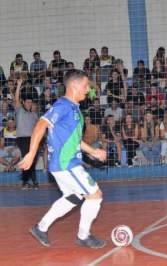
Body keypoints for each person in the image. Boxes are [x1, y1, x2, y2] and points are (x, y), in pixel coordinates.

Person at [19, 69, 107, 248]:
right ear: (74, 86)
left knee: (74, 197)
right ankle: (83, 236)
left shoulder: (76, 110)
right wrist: (31, 153)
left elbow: (75, 139)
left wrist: (93, 151)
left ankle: (41, 227)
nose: (87, 90)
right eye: (85, 86)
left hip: (64, 163)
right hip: (66, 163)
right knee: (95, 195)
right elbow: (40, 125)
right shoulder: (63, 105)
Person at [15, 79, 39, 189]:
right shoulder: (19, 110)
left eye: (31, 102)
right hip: (22, 139)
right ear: (23, 102)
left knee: (32, 160)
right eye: (28, 102)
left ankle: (32, 182)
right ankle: (25, 182)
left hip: (32, 140)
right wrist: (19, 84)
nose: (30, 104)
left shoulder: (34, 115)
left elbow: (37, 129)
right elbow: (16, 98)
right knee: (27, 158)